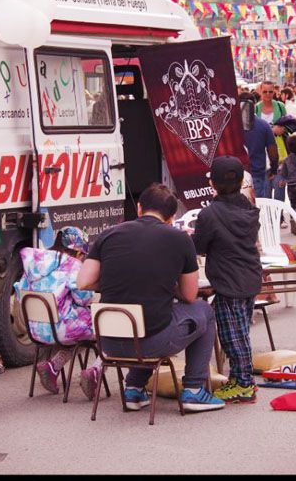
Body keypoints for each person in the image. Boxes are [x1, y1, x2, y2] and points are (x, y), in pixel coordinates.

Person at [76, 183, 225, 413]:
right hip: (151, 343)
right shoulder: (180, 239)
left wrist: (120, 279)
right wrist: (166, 285)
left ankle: (134, 388)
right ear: (171, 218)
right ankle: (194, 390)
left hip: (108, 342)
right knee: (203, 312)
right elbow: (189, 295)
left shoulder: (108, 234)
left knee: (152, 317)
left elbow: (83, 282)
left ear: (138, 208)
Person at [192, 156, 262, 404]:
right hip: (250, 277)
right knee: (241, 331)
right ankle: (238, 378)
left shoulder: (210, 214)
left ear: (213, 184)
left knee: (233, 336)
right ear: (242, 181)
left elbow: (199, 246)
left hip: (228, 282)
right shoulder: (248, 209)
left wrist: (188, 238)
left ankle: (244, 384)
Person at [14, 227, 103, 399]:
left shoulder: (34, 264)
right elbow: (84, 299)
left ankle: (52, 368)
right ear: (78, 253)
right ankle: (95, 371)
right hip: (60, 330)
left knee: (77, 332)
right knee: (104, 326)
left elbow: (19, 294)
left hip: (35, 329)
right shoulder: (72, 265)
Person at [239, 91, 278, 199]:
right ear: (255, 105)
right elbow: (272, 150)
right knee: (260, 207)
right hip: (258, 173)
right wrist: (274, 169)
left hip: (238, 176)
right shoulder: (263, 125)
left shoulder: (232, 126)